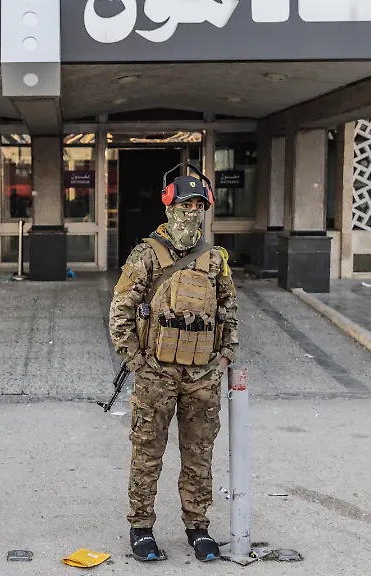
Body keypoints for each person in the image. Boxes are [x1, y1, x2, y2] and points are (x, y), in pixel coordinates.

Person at [108, 167, 239, 563]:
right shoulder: (147, 255)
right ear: (170, 207)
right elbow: (121, 311)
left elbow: (228, 308)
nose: (192, 212)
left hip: (202, 374)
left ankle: (198, 527)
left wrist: (225, 354)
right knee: (147, 452)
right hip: (156, 372)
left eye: (199, 206)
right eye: (185, 205)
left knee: (199, 453)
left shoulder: (215, 259)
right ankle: (141, 527)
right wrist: (136, 361)